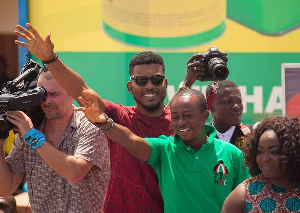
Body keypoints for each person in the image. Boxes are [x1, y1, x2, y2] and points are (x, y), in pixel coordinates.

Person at [14, 23, 176, 212]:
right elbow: (82, 89)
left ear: (165, 83)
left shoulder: (181, 124)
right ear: (130, 87)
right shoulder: (119, 117)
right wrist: (50, 59)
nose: (149, 86)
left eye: (156, 79)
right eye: (141, 80)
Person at [77, 88, 250, 213]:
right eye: (175, 117)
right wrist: (104, 123)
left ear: (204, 116)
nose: (181, 122)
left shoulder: (232, 153)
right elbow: (130, 140)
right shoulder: (164, 149)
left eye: (188, 115)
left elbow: (247, 202)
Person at [0, 69, 110, 212]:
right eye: (42, 95)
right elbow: (5, 188)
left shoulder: (91, 126)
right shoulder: (28, 131)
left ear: (71, 94)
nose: (47, 101)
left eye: (54, 94)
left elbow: (74, 173)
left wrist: (32, 136)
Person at [222, 116, 300, 213]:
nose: (265, 159)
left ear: (293, 152)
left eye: (274, 152)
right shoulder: (243, 195)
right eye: (260, 151)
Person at [180, 60, 250, 149]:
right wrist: (187, 81)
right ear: (210, 106)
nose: (236, 106)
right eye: (227, 102)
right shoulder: (198, 138)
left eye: (239, 101)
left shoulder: (251, 137)